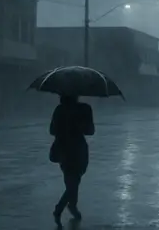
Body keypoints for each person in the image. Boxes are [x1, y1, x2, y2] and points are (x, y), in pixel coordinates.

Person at [49, 95, 95, 227]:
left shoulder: (60, 109)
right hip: (76, 149)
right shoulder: (85, 108)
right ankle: (62, 208)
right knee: (74, 181)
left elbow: (52, 130)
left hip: (64, 149)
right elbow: (91, 130)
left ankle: (71, 206)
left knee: (71, 180)